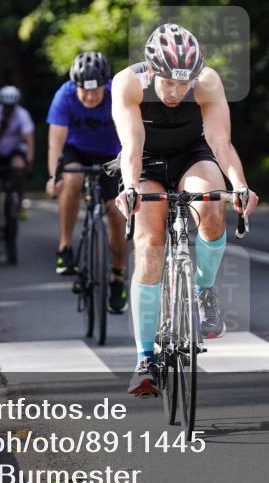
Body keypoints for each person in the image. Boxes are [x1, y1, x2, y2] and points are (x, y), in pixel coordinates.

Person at [111, 23, 260, 397]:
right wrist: (130, 190)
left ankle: (204, 290)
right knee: (148, 242)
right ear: (152, 71)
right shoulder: (129, 84)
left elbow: (221, 142)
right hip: (144, 161)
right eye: (169, 83)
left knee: (212, 205)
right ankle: (146, 359)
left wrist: (240, 184)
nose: (177, 92)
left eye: (184, 83)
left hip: (192, 156)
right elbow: (131, 145)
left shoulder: (207, 82)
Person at [45, 51, 128, 314]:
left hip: (110, 154)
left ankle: (117, 277)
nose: (91, 97)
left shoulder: (118, 93)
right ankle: (65, 246)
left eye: (97, 91)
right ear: (75, 86)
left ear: (106, 85)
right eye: (84, 91)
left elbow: (131, 135)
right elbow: (55, 143)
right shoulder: (64, 96)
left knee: (117, 213)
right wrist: (53, 177)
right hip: (76, 152)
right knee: (72, 178)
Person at [0, 85, 35, 254]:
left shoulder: (22, 114)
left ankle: (20, 202)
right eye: (6, 106)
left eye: (11, 107)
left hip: (14, 151)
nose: (8, 110)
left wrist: (29, 160)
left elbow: (29, 139)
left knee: (19, 166)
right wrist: (2, 126)